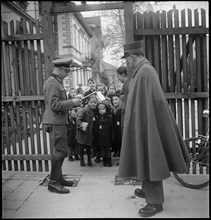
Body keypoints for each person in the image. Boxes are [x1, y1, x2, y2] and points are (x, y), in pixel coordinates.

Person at [118, 41, 191, 217]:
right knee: (144, 157)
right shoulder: (140, 72)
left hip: (148, 125)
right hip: (141, 123)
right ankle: (147, 190)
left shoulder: (146, 72)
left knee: (151, 158)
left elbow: (153, 104)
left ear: (132, 56)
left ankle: (155, 202)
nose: (126, 62)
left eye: (126, 58)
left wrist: (147, 126)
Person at [42, 57, 81, 194]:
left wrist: (72, 102)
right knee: (60, 152)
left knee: (60, 151)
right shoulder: (53, 84)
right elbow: (54, 105)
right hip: (55, 121)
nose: (68, 73)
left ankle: (58, 178)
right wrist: (73, 103)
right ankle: (53, 183)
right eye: (66, 71)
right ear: (59, 69)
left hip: (58, 121)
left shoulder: (56, 82)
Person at [76, 94, 98, 167]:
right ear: (88, 102)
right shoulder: (84, 110)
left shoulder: (93, 111)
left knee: (88, 147)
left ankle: (89, 160)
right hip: (83, 132)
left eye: (95, 103)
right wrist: (81, 128)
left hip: (89, 133)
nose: (93, 104)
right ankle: (82, 160)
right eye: (91, 102)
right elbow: (79, 119)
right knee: (81, 147)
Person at [96, 101, 113, 167]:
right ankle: (104, 160)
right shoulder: (98, 117)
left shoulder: (109, 117)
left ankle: (109, 160)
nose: (101, 111)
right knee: (103, 149)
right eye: (100, 109)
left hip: (107, 136)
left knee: (108, 149)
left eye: (103, 109)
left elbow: (111, 127)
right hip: (101, 136)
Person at [116, 66, 129, 134]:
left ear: (123, 74)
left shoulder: (127, 84)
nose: (118, 78)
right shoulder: (126, 84)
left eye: (118, 76)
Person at [111, 92, 122, 160]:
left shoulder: (121, 109)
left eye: (116, 99)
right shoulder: (112, 110)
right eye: (113, 100)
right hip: (114, 129)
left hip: (120, 129)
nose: (114, 101)